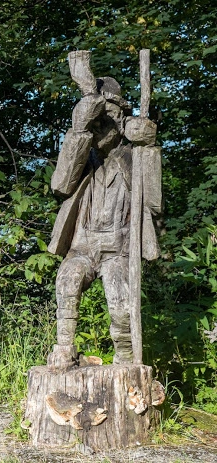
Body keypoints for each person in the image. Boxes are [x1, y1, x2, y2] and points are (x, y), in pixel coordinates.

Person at [47, 75, 161, 369]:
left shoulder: (132, 156)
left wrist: (148, 148)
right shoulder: (83, 157)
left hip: (119, 247)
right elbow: (60, 185)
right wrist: (78, 130)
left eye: (106, 118)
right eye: (93, 121)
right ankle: (64, 349)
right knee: (67, 281)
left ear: (122, 120)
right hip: (83, 245)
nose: (99, 127)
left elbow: (154, 203)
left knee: (121, 304)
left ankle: (124, 360)